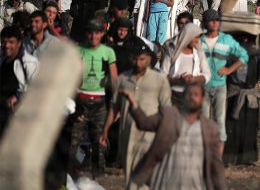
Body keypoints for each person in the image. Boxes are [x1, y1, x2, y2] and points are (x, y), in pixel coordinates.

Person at [121, 83, 226, 189]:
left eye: (196, 94)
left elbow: (216, 165)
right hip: (165, 184)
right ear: (183, 97)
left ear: (202, 99)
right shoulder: (168, 116)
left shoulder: (209, 129)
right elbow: (144, 123)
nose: (192, 97)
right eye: (189, 94)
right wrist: (134, 104)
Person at [100, 43, 171, 189]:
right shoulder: (123, 79)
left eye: (142, 59)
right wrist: (105, 130)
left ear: (149, 60)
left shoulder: (159, 81)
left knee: (146, 178)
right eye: (136, 59)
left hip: (149, 137)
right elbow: (114, 107)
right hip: (127, 135)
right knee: (129, 177)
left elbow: (166, 111)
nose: (139, 63)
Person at [69, 20, 118, 178]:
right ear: (86, 34)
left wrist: (115, 102)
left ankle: (99, 172)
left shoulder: (108, 52)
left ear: (102, 34)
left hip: (100, 101)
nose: (93, 36)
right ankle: (73, 170)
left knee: (99, 140)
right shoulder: (78, 50)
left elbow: (114, 78)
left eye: (97, 32)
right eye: (90, 32)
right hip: (80, 100)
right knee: (73, 139)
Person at [200, 9, 249, 156]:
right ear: (205, 23)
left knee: (220, 121)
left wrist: (229, 70)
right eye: (211, 20)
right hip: (202, 87)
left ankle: (218, 158)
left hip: (220, 86)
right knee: (203, 121)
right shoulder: (199, 41)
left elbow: (243, 55)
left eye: (217, 20)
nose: (215, 23)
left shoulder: (226, 40)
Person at [224, 28, 260, 165]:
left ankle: (248, 157)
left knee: (250, 126)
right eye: (242, 39)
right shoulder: (231, 53)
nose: (244, 42)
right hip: (233, 94)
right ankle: (230, 157)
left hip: (249, 95)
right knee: (232, 127)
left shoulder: (255, 54)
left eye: (247, 39)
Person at [0, 26, 39, 136]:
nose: (7, 46)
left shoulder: (30, 63)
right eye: (4, 42)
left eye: (11, 42)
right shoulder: (1, 60)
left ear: (19, 43)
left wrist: (18, 96)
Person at [160, 23, 211, 107]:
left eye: (198, 37)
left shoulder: (199, 52)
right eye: (196, 37)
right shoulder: (172, 51)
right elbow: (162, 75)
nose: (197, 40)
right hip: (174, 96)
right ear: (188, 36)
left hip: (193, 96)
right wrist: (178, 80)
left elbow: (207, 74)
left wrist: (194, 79)